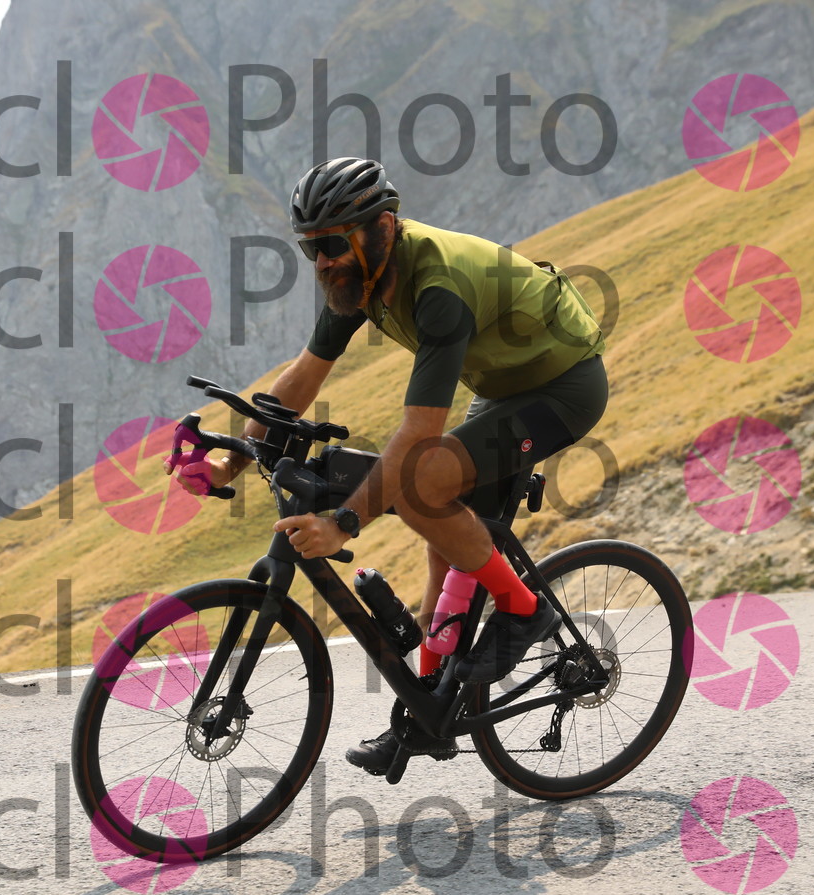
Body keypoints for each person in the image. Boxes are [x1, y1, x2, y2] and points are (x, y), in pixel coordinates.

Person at [166, 156, 609, 774]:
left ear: (381, 229)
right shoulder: (358, 278)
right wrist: (226, 467)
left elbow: (418, 433)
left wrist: (343, 524)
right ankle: (427, 713)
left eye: (331, 244)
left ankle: (524, 609)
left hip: (564, 385)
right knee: (443, 536)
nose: (322, 262)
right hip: (504, 386)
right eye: (310, 248)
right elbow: (300, 380)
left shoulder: (436, 288)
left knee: (422, 485)